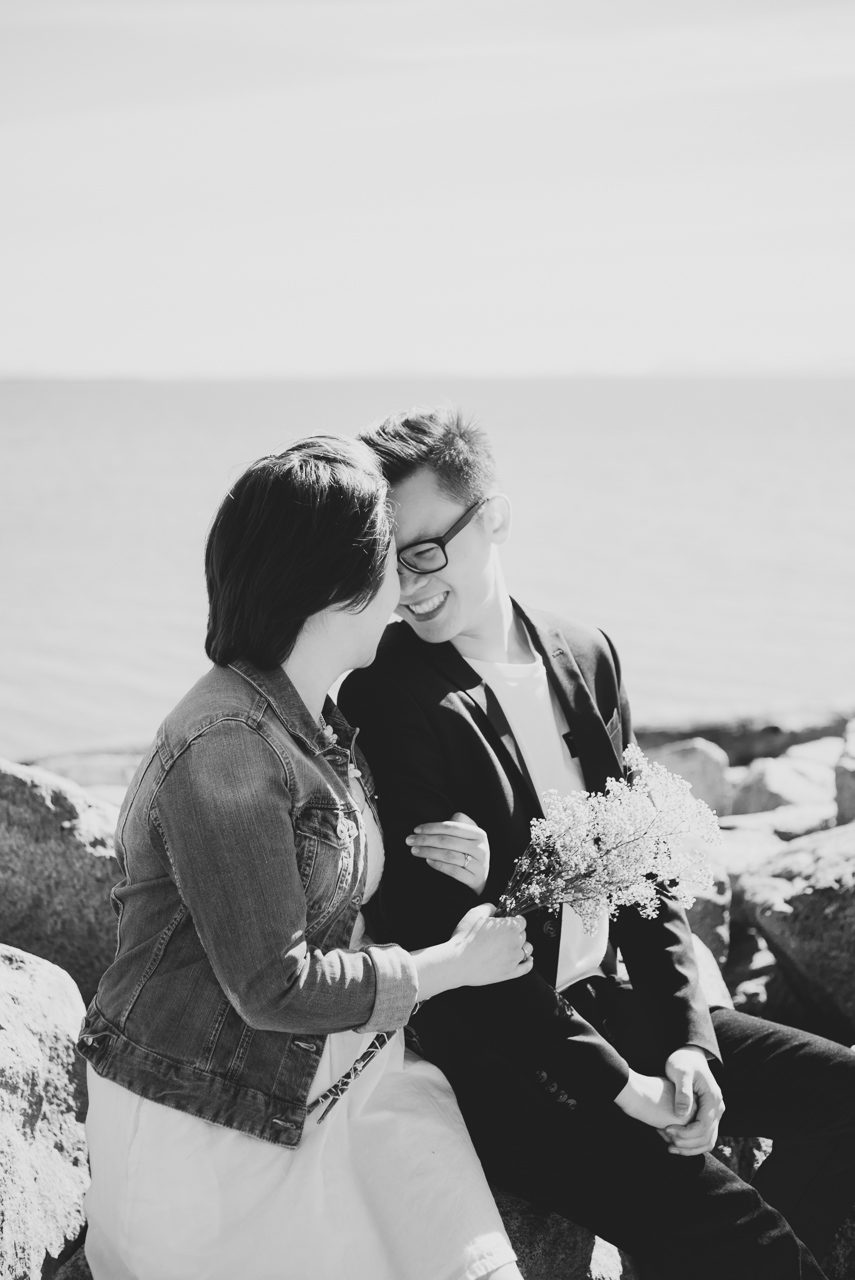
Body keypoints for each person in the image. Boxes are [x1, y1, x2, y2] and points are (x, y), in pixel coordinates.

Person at [338, 407, 855, 1280]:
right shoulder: (388, 690)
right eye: (390, 560)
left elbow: (641, 868)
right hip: (507, 1059)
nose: (410, 583)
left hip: (618, 1001)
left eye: (425, 550)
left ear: (492, 517)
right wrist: (630, 1087)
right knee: (748, 1244)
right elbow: (454, 947)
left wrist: (688, 1040)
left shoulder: (585, 651)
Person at [77, 436, 534, 1280]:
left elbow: (340, 910)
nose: (405, 588)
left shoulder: (316, 720)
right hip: (210, 1119)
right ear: (337, 585)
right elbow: (270, 987)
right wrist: (450, 966)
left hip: (347, 1068)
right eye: (389, 563)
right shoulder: (227, 743)